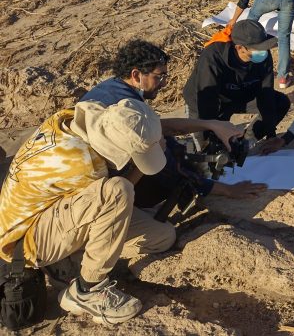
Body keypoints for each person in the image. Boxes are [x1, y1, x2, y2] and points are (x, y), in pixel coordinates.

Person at [0, 99, 172, 324]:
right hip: (25, 241)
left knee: (162, 237)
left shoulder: (72, 117)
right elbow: (116, 196)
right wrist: (141, 165)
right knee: (117, 191)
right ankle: (86, 289)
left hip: (49, 212)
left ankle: (80, 254)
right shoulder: (86, 165)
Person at [81, 39, 266, 204]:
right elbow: (167, 157)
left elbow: (160, 127)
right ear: (136, 75)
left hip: (90, 169)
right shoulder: (126, 105)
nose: (164, 84)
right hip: (97, 187)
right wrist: (228, 190)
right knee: (166, 155)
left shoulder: (112, 88)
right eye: (159, 76)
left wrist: (212, 124)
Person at [183, 20, 291, 148]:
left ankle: (245, 141)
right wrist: (213, 132)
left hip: (240, 95)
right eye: (259, 48)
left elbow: (266, 94)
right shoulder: (213, 57)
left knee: (280, 102)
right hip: (206, 101)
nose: (264, 51)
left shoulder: (263, 57)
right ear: (240, 48)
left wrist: (271, 133)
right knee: (209, 149)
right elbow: (207, 100)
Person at [225, 0, 294, 89]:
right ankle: (283, 78)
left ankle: (247, 66)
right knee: (284, 36)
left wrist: (234, 20)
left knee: (250, 27)